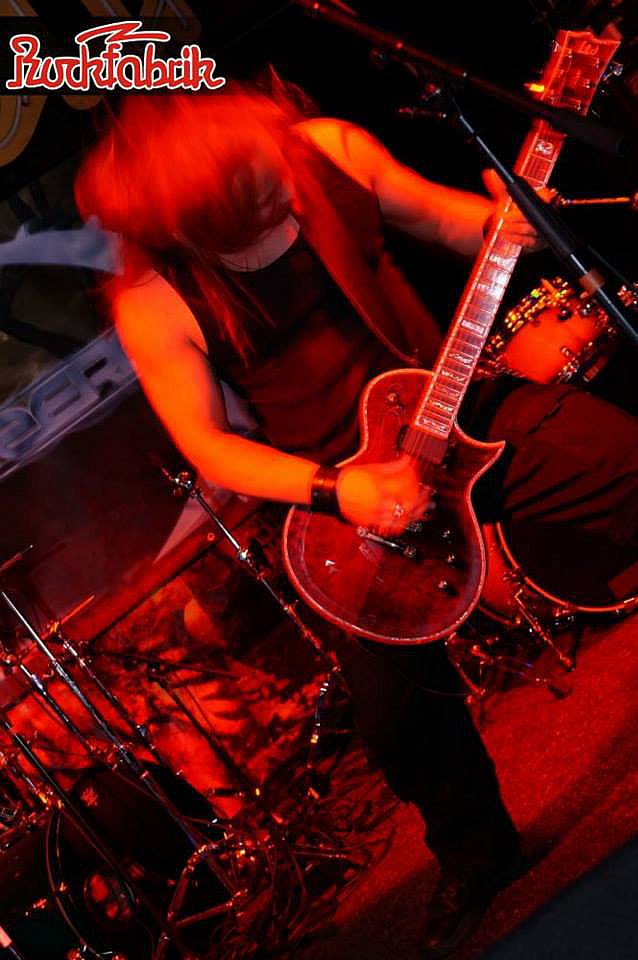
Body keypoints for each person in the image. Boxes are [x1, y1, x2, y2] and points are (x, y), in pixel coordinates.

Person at [76, 85, 638, 957]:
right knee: (394, 719)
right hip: (343, 496)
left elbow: (451, 223)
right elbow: (210, 447)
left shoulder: (327, 150)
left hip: (459, 409)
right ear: (189, 217)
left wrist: (509, 221)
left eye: (267, 170)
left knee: (624, 465)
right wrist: (339, 490)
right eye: (250, 197)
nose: (277, 193)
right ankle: (478, 858)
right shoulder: (155, 298)